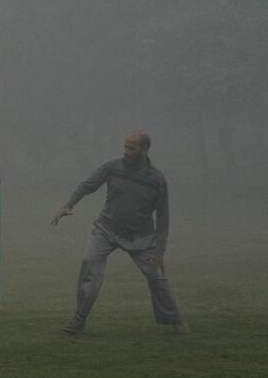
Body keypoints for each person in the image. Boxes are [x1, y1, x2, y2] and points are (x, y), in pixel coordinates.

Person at [51, 131, 189, 334]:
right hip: (106, 229)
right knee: (89, 263)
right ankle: (79, 318)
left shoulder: (157, 179)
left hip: (141, 237)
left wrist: (159, 252)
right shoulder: (111, 167)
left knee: (157, 277)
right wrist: (68, 205)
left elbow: (163, 219)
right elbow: (87, 185)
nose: (126, 151)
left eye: (131, 148)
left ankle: (175, 319)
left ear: (144, 150)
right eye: (125, 147)